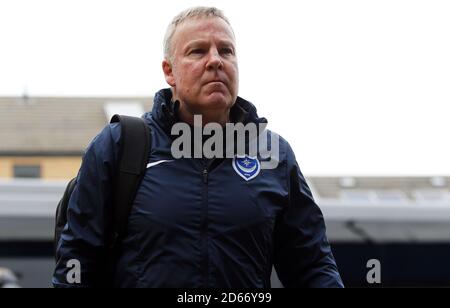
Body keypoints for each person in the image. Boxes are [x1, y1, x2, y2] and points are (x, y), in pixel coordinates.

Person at [53, 6, 344, 288]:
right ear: (169, 71)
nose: (216, 60)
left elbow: (313, 267)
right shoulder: (120, 145)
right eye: (198, 51)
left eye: (226, 51)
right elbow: (76, 262)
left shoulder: (274, 156)